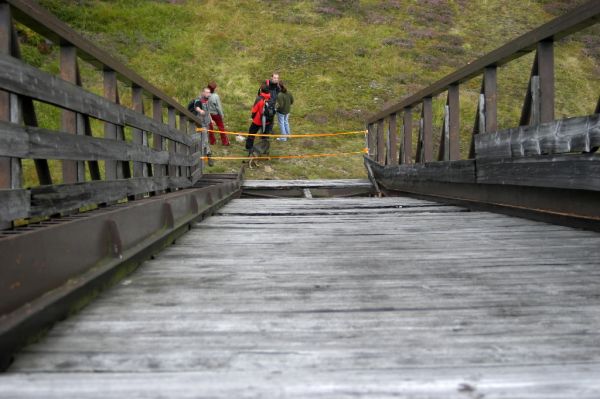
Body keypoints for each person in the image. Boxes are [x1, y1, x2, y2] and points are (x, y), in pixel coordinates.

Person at [245, 84, 274, 153]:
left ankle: (249, 147)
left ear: (261, 90)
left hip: (258, 120)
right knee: (264, 135)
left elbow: (254, 110)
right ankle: (264, 148)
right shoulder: (271, 98)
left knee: (252, 133)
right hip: (267, 120)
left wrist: (252, 116)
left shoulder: (259, 98)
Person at [193, 88, 213, 166]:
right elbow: (197, 107)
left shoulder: (208, 100)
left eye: (209, 93)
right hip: (200, 124)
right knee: (204, 140)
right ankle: (208, 156)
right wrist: (200, 111)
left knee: (204, 140)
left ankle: (204, 158)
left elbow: (208, 112)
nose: (209, 94)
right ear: (203, 93)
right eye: (207, 93)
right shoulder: (198, 100)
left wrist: (211, 120)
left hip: (206, 123)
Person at [207, 81, 230, 146]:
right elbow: (218, 107)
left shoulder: (205, 94)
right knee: (221, 128)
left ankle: (212, 141)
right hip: (216, 114)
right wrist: (222, 115)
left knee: (210, 128)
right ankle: (225, 142)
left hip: (208, 114)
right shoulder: (216, 96)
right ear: (214, 89)